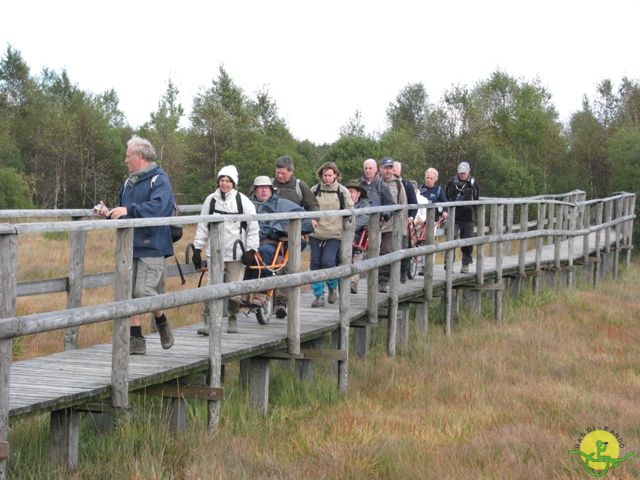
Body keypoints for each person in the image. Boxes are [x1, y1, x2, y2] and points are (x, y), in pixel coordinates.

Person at [94, 136, 175, 355]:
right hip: (129, 244)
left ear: (139, 156)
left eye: (128, 156)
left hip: (153, 244)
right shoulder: (129, 182)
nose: (125, 160)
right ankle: (136, 338)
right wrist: (109, 212)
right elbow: (124, 210)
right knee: (129, 293)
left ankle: (161, 320)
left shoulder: (159, 180)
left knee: (143, 291)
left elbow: (158, 208)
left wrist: (129, 211)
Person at [191, 165, 260, 333]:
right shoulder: (211, 200)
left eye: (228, 181)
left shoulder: (243, 202)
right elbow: (203, 224)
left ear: (234, 183)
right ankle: (208, 322)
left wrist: (251, 250)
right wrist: (197, 249)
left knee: (234, 288)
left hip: (236, 252)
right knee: (211, 287)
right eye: (221, 180)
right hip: (215, 251)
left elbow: (253, 227)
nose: (224, 184)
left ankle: (232, 318)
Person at [247, 175, 314, 317]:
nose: (263, 191)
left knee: (266, 253)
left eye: (266, 188)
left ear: (272, 190)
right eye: (260, 189)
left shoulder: (281, 204)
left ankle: (264, 293)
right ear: (254, 191)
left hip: (272, 243)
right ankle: (241, 296)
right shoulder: (247, 205)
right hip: (249, 243)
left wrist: (279, 228)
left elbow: (305, 219)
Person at [309, 162, 354, 307]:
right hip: (316, 233)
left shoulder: (342, 191)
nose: (327, 178)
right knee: (315, 264)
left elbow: (350, 212)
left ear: (335, 175)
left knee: (328, 261)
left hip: (335, 233)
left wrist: (348, 232)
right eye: (325, 175)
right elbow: (307, 208)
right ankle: (318, 296)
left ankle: (333, 287)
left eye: (330, 175)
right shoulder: (314, 190)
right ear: (321, 175)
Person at [358, 158, 396, 292]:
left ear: (375, 170)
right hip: (359, 223)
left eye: (370, 168)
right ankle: (352, 282)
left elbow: (391, 204)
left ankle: (379, 283)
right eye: (366, 168)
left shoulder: (381, 186)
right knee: (354, 251)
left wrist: (385, 213)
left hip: (377, 224)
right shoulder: (358, 184)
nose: (368, 171)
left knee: (379, 252)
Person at [379, 157, 408, 290]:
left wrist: (403, 228)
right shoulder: (375, 183)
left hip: (391, 225)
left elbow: (403, 205)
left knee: (386, 251)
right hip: (374, 224)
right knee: (373, 252)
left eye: (390, 168)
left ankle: (383, 281)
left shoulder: (397, 184)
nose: (388, 171)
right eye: (386, 168)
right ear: (380, 169)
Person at [445, 161, 480, 273]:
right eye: (461, 173)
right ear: (458, 172)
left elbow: (476, 198)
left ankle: (465, 264)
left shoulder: (473, 183)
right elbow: (447, 196)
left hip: (468, 217)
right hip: (454, 216)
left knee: (467, 241)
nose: (463, 175)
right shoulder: (452, 182)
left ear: (468, 171)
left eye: (464, 173)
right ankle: (449, 264)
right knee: (451, 239)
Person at [272, 155, 319, 230]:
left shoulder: (300, 185)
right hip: (272, 229)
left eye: (283, 173)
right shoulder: (269, 185)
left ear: (291, 172)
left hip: (294, 228)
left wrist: (313, 220)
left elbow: (313, 205)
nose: (279, 176)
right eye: (277, 172)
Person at [393, 160, 417, 283]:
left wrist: (411, 218)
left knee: (404, 246)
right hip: (389, 222)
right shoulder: (384, 183)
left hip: (403, 221)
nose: (393, 172)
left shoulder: (407, 185)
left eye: (396, 169)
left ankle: (403, 272)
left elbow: (414, 203)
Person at [345, 179, 371, 294]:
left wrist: (349, 228)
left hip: (358, 234)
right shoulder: (343, 203)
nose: (349, 194)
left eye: (352, 191)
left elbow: (364, 219)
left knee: (356, 254)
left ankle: (353, 283)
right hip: (342, 232)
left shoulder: (365, 205)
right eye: (347, 191)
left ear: (358, 193)